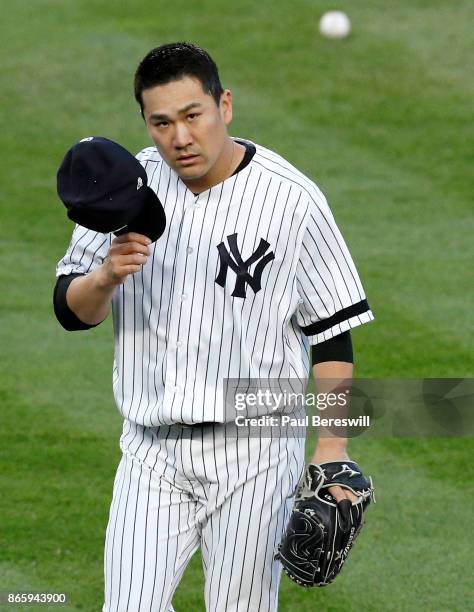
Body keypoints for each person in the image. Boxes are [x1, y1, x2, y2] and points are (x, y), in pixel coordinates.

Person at [54, 42, 374, 612]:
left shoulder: (291, 200)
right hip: (151, 454)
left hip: (255, 455)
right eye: (162, 122)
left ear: (224, 105)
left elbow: (333, 332)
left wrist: (332, 447)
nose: (179, 137)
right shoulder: (127, 187)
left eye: (192, 115)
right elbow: (68, 309)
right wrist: (105, 276)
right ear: (145, 123)